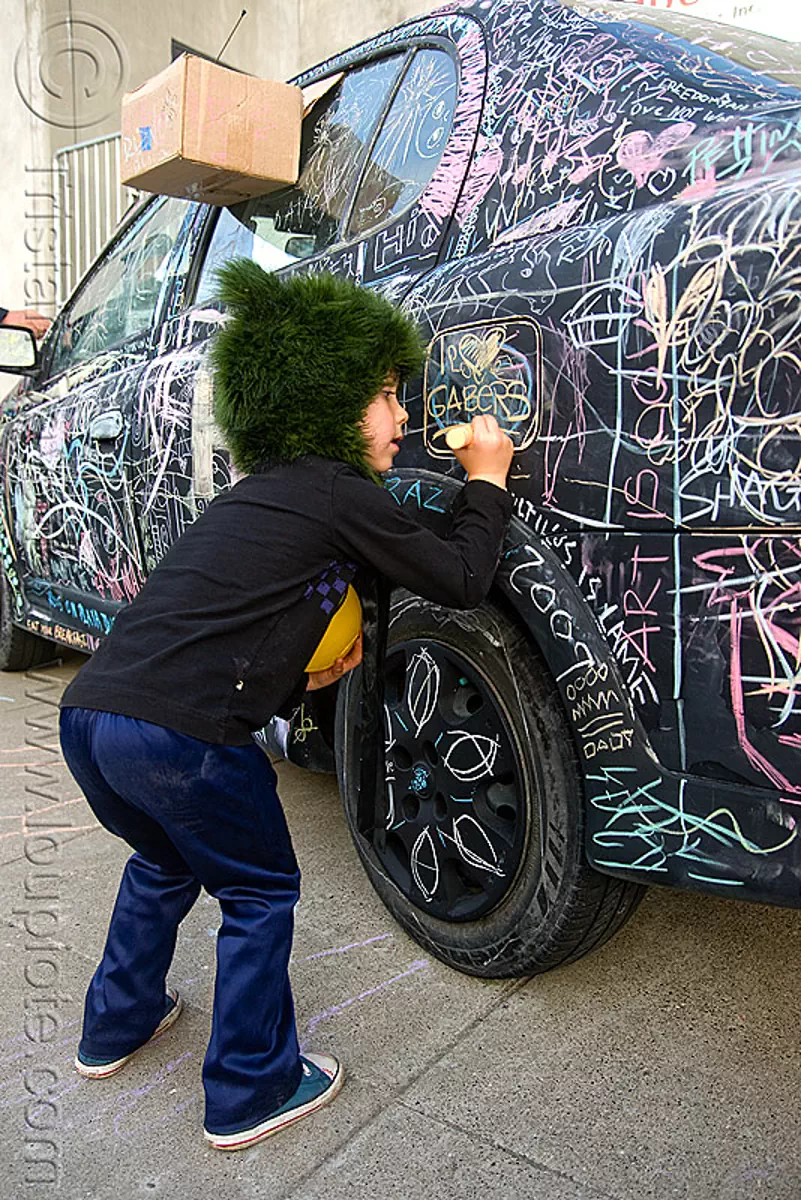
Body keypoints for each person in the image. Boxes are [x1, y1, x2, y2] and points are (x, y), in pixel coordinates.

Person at [58, 262, 514, 1151]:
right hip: (183, 738)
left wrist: (289, 675)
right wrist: (486, 480)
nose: (404, 419)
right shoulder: (340, 490)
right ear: (332, 397)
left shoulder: (255, 497)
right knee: (261, 890)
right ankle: (249, 1089)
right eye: (386, 394)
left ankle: (115, 1027)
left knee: (161, 864)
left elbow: (218, 619)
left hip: (94, 715)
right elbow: (460, 578)